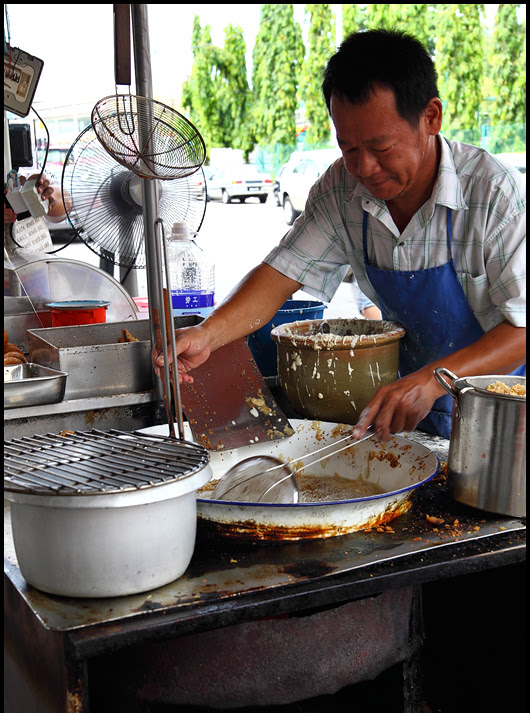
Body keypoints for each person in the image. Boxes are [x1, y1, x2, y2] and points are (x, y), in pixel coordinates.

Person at [154, 29, 526, 441]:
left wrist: (434, 379)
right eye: (349, 149)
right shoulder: (341, 191)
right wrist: (209, 333)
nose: (364, 168)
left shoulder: (492, 193)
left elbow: (523, 327)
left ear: (431, 117)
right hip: (413, 414)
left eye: (381, 148)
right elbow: (282, 272)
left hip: (507, 416)